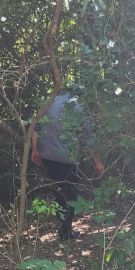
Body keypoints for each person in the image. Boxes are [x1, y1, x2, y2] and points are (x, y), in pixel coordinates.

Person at [31, 86, 105, 240]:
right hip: (67, 158)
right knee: (70, 194)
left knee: (58, 192)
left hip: (47, 156)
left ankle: (64, 229)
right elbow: (89, 139)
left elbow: (35, 129)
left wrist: (35, 150)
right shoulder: (80, 107)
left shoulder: (48, 102)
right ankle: (66, 232)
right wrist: (97, 163)